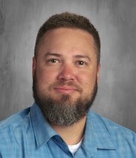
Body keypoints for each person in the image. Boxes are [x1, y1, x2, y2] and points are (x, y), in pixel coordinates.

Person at [0, 12, 135, 158]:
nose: (67, 75)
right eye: (54, 60)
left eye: (80, 63)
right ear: (34, 67)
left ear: (97, 73)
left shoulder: (131, 147)